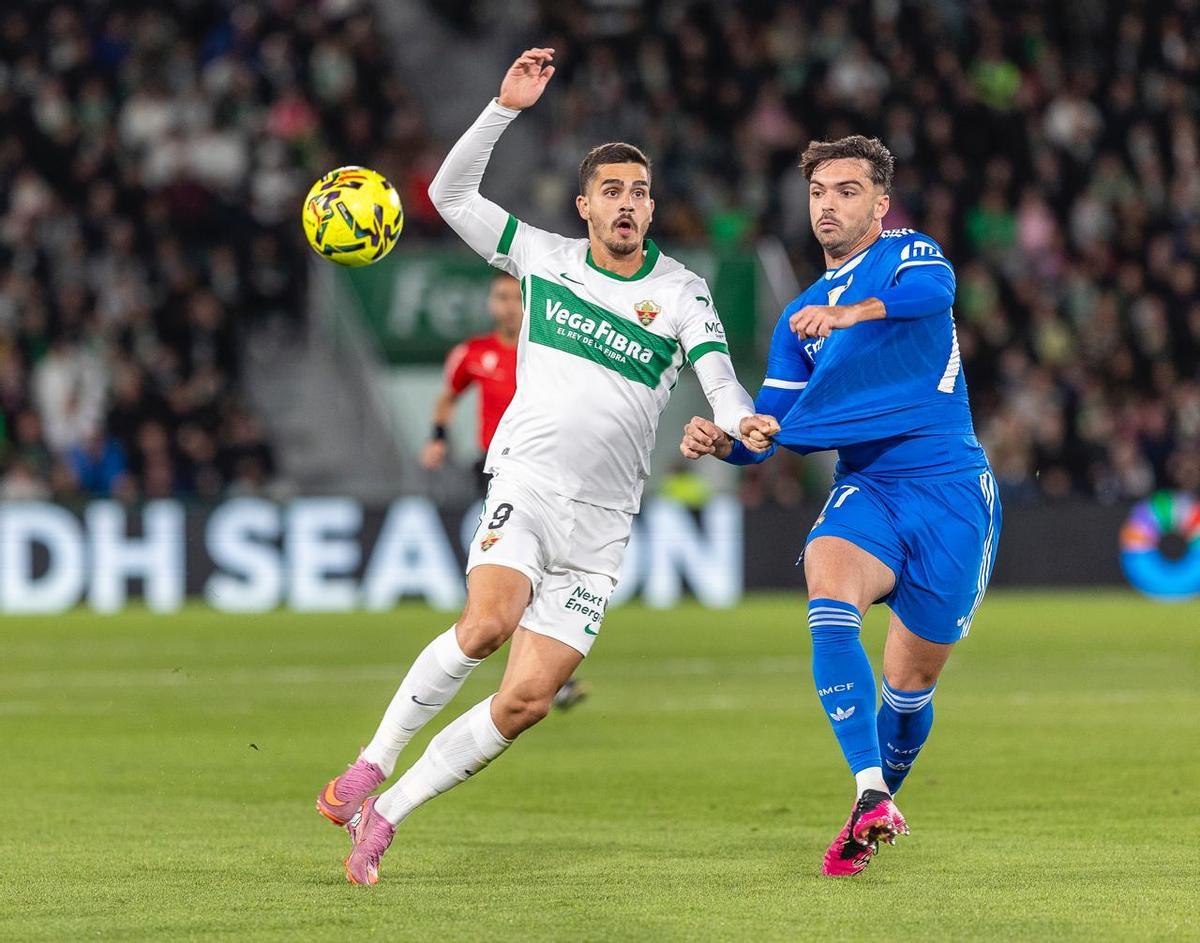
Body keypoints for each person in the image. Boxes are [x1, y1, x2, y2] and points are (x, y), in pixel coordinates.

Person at [317, 47, 778, 885]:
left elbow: (722, 378)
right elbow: (447, 196)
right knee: (488, 622)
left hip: (602, 527)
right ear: (585, 206)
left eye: (640, 191)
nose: (629, 203)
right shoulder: (542, 257)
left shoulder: (680, 291)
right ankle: (371, 762)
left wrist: (734, 426)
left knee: (526, 700)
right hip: (526, 485)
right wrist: (503, 108)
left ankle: (386, 815)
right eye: (613, 190)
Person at [680, 135, 1002, 877]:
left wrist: (853, 313)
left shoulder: (908, 255)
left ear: (879, 203)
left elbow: (937, 295)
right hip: (869, 489)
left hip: (953, 492)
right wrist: (727, 441)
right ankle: (866, 790)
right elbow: (770, 431)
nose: (829, 203)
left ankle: (877, 797)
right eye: (820, 191)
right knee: (826, 580)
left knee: (910, 687)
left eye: (847, 190)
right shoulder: (798, 317)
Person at [421, 270, 587, 710]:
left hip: (547, 464)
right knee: (522, 569)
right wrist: (437, 436)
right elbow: (447, 396)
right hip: (495, 467)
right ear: (491, 305)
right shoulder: (472, 353)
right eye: (500, 297)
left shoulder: (548, 350)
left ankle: (543, 665)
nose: (509, 305)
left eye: (516, 297)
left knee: (548, 567)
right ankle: (535, 664)